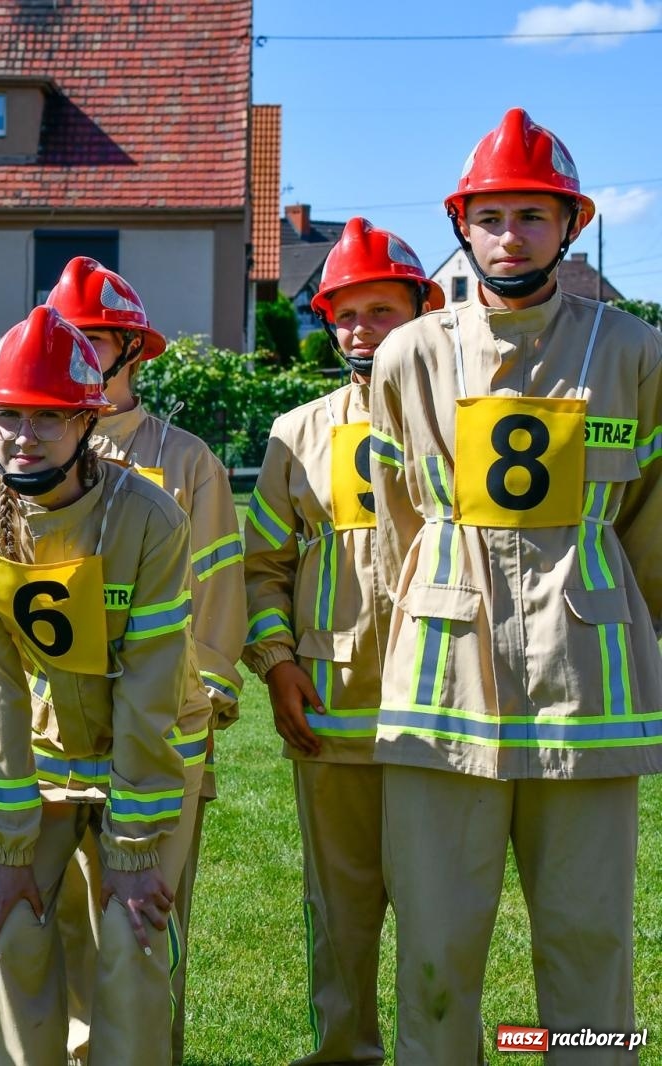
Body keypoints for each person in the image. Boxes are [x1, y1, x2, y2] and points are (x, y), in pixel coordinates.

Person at [369, 107, 662, 1063]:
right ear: (463, 224)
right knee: (437, 953)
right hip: (443, 689)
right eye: (492, 216)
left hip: (588, 688)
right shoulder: (409, 354)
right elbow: (399, 522)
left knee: (589, 946)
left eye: (533, 216)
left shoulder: (634, 354)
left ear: (570, 225)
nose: (510, 236)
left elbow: (651, 525)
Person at [0, 306, 209, 1064]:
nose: (22, 437)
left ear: (87, 423)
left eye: (47, 419)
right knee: (11, 926)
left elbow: (151, 690)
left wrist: (132, 850)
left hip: (148, 748)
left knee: (131, 934)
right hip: (48, 749)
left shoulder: (151, 519)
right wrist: (5, 846)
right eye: (7, 417)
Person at [245, 219, 440, 1064]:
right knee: (341, 909)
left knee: (444, 911)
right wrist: (278, 664)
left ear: (421, 311)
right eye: (346, 314)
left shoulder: (465, 421)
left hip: (446, 709)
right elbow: (261, 567)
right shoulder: (296, 431)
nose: (362, 331)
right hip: (331, 711)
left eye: (382, 311)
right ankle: (343, 1053)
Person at [46, 257, 244, 1062]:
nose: (83, 356)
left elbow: (221, 585)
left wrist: (203, 707)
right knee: (62, 920)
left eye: (97, 341)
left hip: (164, 725)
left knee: (147, 915)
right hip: (56, 724)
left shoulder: (188, 460)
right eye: (68, 341)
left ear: (134, 350)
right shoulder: (34, 449)